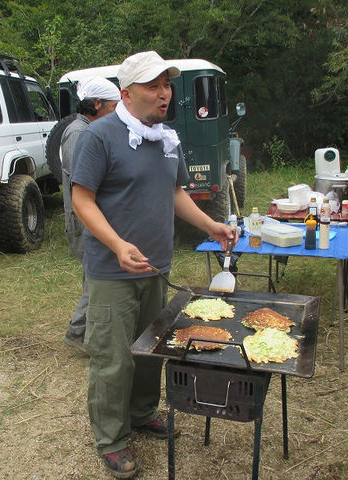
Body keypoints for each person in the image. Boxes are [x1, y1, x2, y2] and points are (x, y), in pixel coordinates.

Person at [71, 51, 234, 479]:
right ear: (126, 92)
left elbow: (175, 192)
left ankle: (142, 414)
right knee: (113, 359)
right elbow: (81, 200)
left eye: (167, 86)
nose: (165, 95)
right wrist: (117, 244)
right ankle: (110, 439)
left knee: (150, 352)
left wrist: (211, 225)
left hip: (155, 267)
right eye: (154, 86)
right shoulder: (100, 136)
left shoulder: (166, 138)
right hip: (113, 271)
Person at [61, 76, 121, 351]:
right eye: (112, 107)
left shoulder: (87, 129)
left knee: (94, 277)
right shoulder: (79, 133)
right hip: (82, 220)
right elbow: (83, 182)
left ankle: (86, 334)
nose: (115, 114)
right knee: (94, 280)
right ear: (96, 104)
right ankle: (78, 334)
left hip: (88, 217)